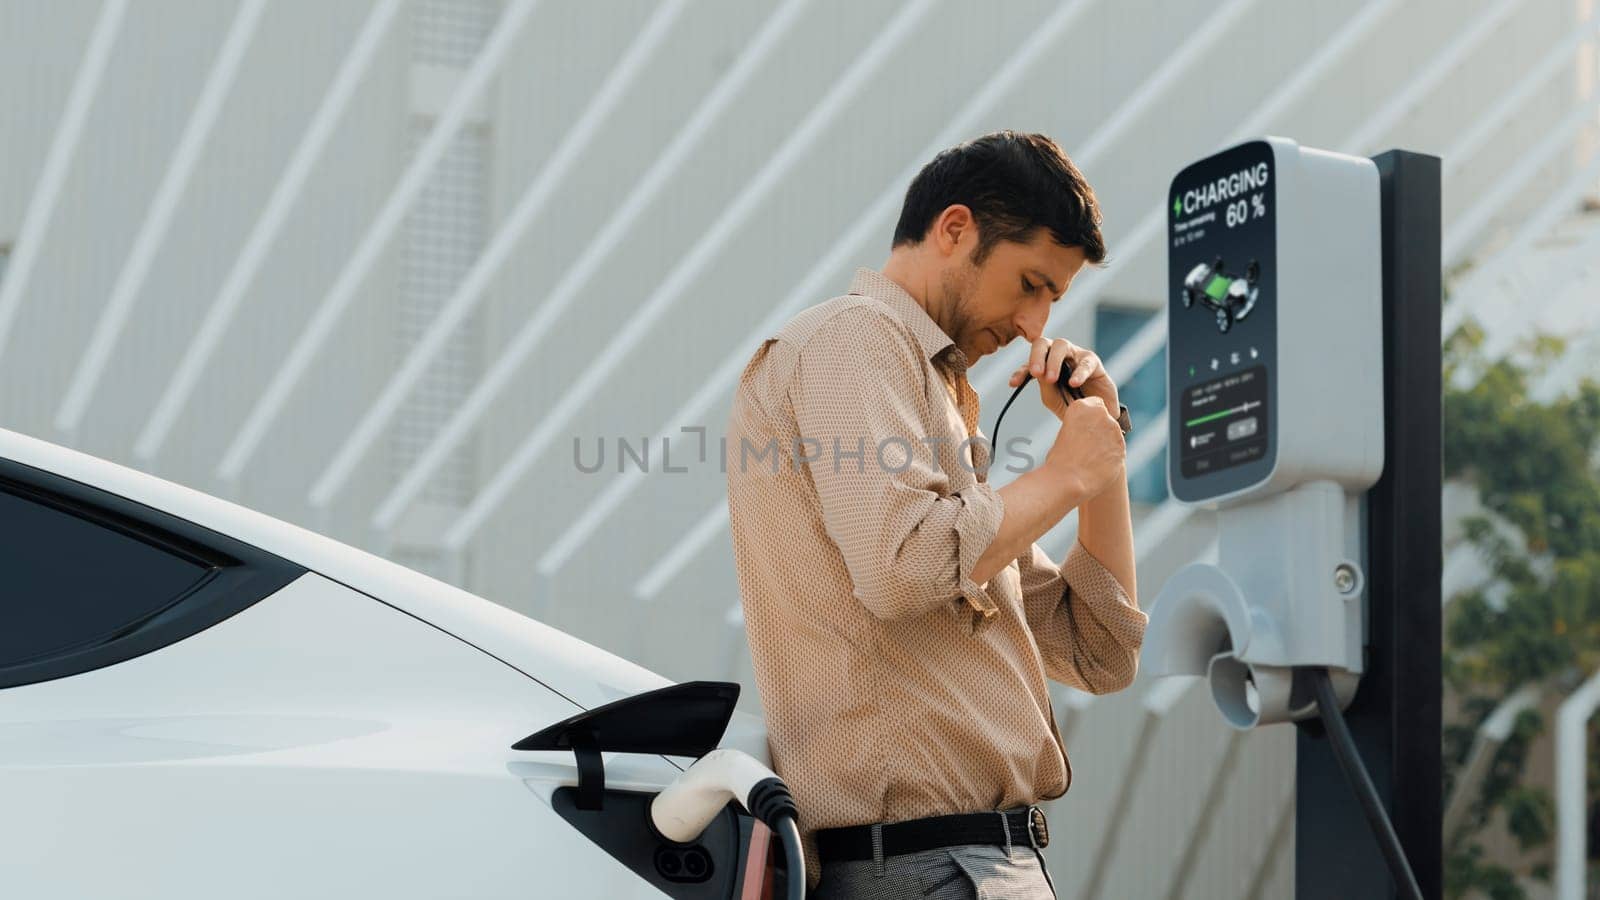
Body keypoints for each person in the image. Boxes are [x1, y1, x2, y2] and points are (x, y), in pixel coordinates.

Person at [725, 131, 1146, 899]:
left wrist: (1100, 449)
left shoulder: (943, 403)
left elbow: (1102, 651)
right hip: (928, 862)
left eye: (1052, 299)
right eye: (1029, 283)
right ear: (955, 230)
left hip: (978, 864)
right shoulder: (855, 340)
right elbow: (905, 567)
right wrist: (1062, 473)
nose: (1035, 325)